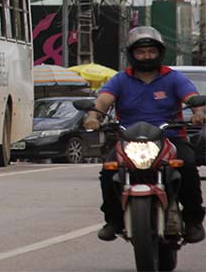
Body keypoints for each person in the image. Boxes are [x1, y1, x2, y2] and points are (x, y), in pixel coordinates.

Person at [84, 26, 206, 243]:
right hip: (129, 139)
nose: (146, 56)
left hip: (170, 137)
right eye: (141, 52)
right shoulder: (120, 80)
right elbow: (103, 101)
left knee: (187, 165)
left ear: (160, 53)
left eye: (151, 51)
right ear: (132, 54)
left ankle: (194, 220)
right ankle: (113, 220)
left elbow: (192, 98)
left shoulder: (173, 78)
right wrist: (93, 117)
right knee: (109, 170)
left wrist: (198, 113)